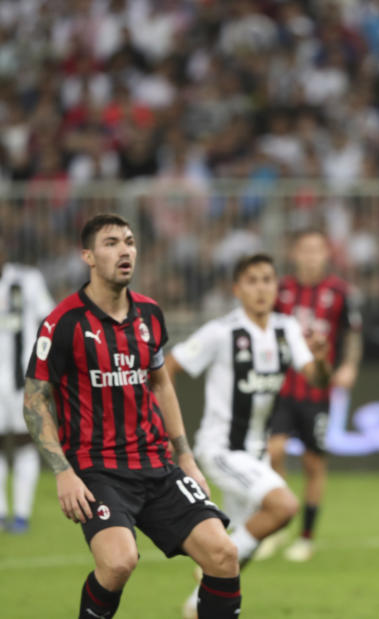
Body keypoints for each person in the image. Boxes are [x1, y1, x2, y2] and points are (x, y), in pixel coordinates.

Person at [22, 213, 241, 618]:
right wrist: (63, 471)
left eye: (129, 241)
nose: (125, 250)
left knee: (224, 554)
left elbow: (160, 384)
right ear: (87, 256)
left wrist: (186, 457)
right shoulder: (62, 323)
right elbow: (35, 401)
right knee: (120, 561)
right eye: (111, 243)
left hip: (156, 464)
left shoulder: (150, 315)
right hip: (97, 469)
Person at [166, 253, 331, 617]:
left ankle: (197, 605)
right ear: (237, 289)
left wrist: (320, 358)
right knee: (284, 507)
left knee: (247, 539)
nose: (261, 288)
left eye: (268, 279)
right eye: (252, 281)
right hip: (221, 449)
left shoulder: (286, 329)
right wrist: (168, 433)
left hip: (254, 452)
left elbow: (317, 378)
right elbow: (167, 369)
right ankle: (211, 568)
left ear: (277, 287)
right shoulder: (221, 332)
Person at [266, 230, 362, 562]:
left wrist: (348, 366)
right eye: (304, 249)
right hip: (282, 388)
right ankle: (278, 523)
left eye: (316, 250)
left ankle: (305, 537)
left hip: (317, 391)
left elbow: (353, 334)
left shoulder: (338, 292)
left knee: (312, 463)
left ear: (326, 254)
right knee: (273, 451)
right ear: (295, 253)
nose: (310, 256)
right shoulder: (281, 291)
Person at [0, 246, 54, 533]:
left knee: (24, 443)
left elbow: (49, 320)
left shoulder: (27, 280)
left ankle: (20, 514)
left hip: (22, 380)